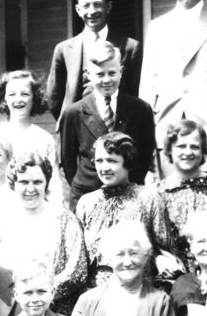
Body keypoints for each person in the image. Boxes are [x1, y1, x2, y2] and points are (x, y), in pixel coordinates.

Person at [139, 0, 207, 174]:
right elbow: (148, 85)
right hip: (167, 129)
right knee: (168, 199)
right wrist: (146, 136)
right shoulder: (158, 27)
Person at [60, 41, 157, 209]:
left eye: (112, 73)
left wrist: (130, 181)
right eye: (99, 74)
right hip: (87, 195)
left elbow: (145, 154)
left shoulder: (141, 109)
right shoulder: (73, 113)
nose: (106, 80)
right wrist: (86, 185)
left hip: (130, 196)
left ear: (121, 72)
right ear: (88, 74)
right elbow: (68, 161)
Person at [74, 132, 174, 284]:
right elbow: (79, 259)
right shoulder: (86, 203)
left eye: (111, 161)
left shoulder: (148, 198)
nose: (104, 167)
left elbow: (164, 251)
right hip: (96, 295)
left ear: (127, 162)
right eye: (99, 161)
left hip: (140, 291)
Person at [2, 153, 88, 315]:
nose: (30, 188)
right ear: (14, 184)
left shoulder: (64, 218)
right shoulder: (4, 221)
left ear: (46, 183)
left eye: (37, 182)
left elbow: (77, 271)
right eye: (24, 182)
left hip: (59, 312)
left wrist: (41, 295)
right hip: (14, 311)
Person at [46, 0, 142, 123]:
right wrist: (70, 122)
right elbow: (54, 98)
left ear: (108, 7)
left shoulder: (130, 47)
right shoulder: (64, 50)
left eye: (97, 5)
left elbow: (136, 94)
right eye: (86, 6)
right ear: (78, 10)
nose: (92, 11)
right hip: (77, 128)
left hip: (117, 128)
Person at [155, 119, 207, 268]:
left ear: (203, 150)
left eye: (194, 147)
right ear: (170, 150)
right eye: (181, 146)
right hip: (173, 274)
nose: (188, 152)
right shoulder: (158, 193)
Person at [0, 69, 65, 207]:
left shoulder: (43, 138)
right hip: (2, 207)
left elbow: (53, 181)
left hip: (35, 206)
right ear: (4, 99)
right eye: (12, 94)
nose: (18, 99)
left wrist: (57, 210)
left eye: (24, 94)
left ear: (34, 98)